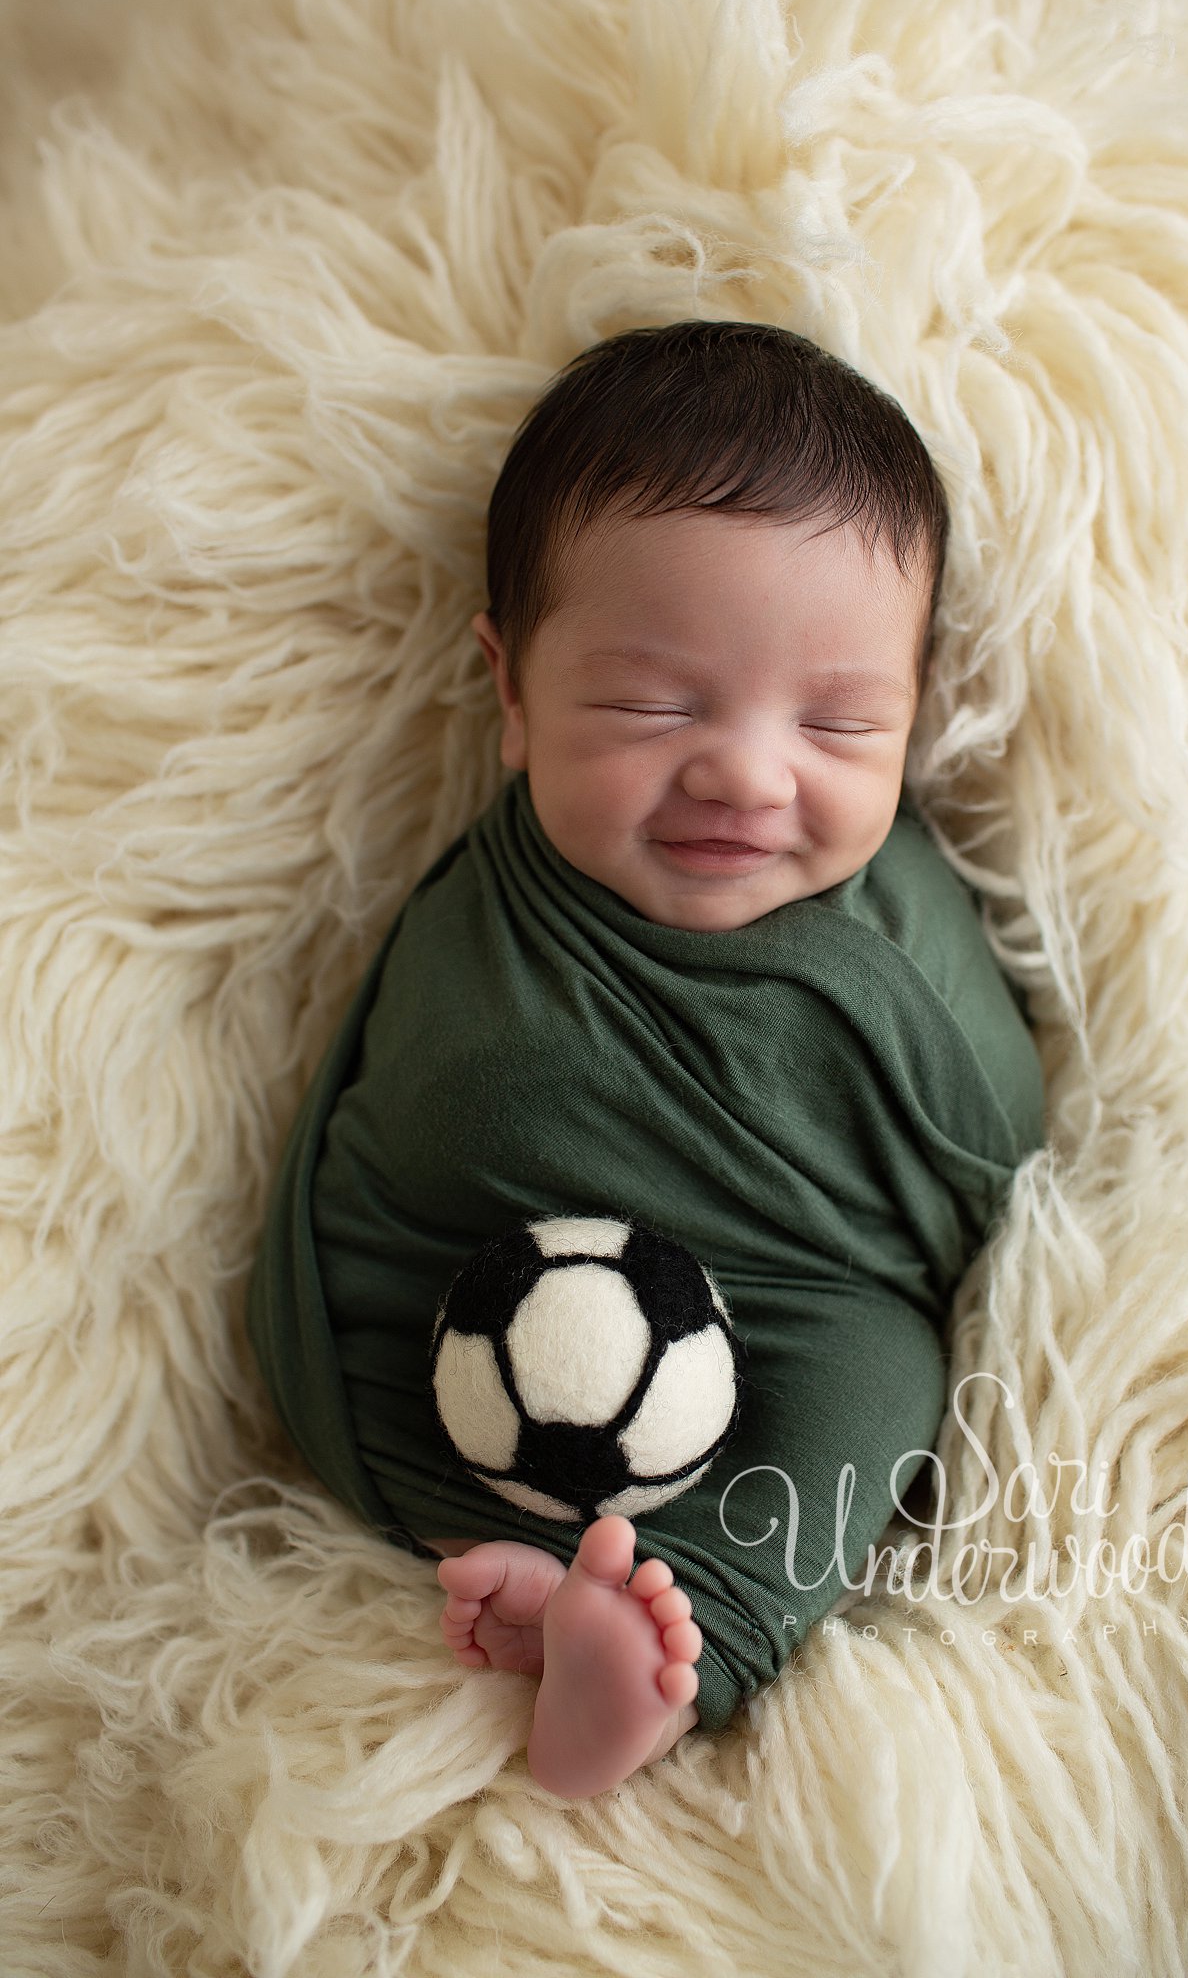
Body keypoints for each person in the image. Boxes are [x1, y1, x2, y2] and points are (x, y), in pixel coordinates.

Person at [244, 320, 1046, 1800]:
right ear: (510, 693)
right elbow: (401, 1133)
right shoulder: (493, 918)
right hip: (457, 1296)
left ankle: (674, 1645)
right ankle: (538, 1567)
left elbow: (994, 1148)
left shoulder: (897, 931)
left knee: (875, 1378)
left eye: (837, 720)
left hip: (799, 1298)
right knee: (425, 1270)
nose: (745, 770)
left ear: (911, 720)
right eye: (649, 704)